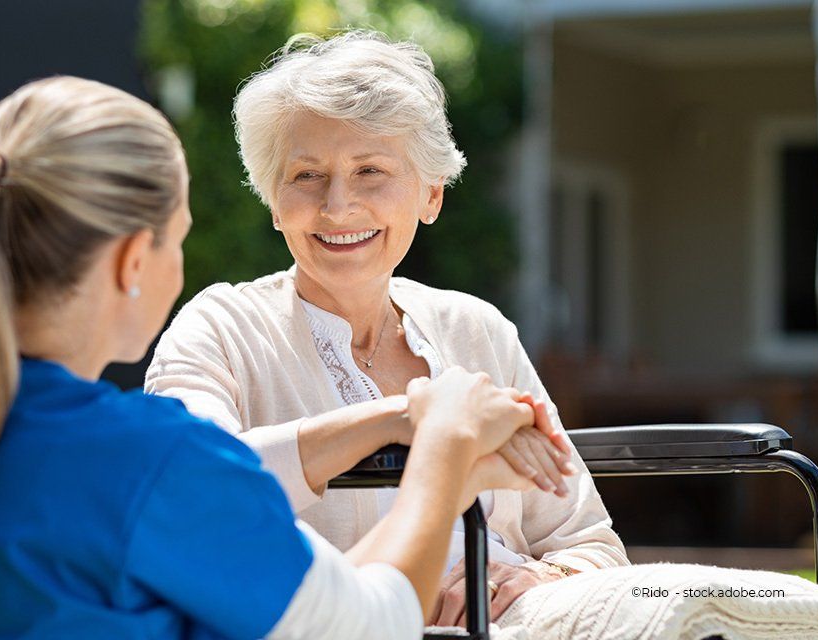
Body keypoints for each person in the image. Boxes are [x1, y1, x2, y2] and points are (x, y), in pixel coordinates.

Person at [0, 76, 550, 639]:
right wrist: (444, 442)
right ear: (131, 263)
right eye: (178, 240)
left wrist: (404, 428)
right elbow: (366, 625)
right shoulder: (151, 465)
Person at [145, 30, 628, 628]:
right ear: (273, 201)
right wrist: (407, 419)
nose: (338, 206)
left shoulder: (477, 330)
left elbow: (591, 545)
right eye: (306, 176)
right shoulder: (220, 328)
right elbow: (190, 491)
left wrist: (530, 579)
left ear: (430, 194)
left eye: (370, 170)